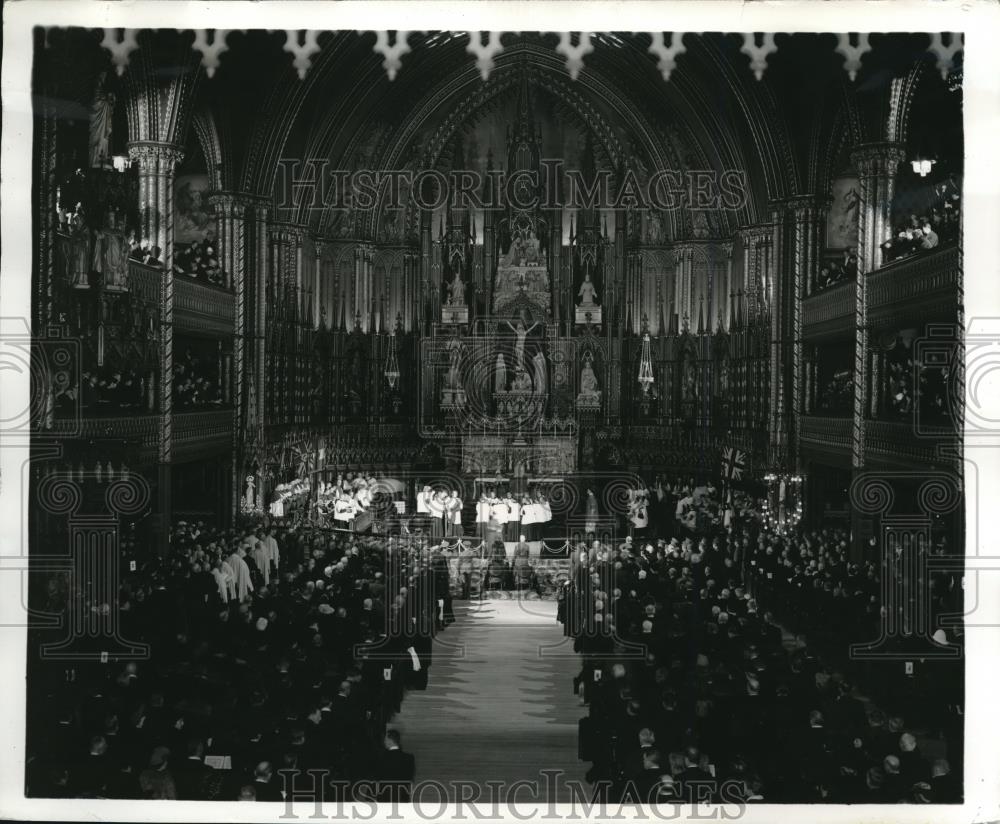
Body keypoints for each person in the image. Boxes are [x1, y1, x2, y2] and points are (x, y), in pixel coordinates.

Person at [378, 730, 415, 802]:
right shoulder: (409, 758)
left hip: (384, 796)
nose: (384, 742)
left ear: (390, 740)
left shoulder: (381, 758)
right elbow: (410, 777)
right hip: (402, 795)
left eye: (385, 739)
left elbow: (377, 776)